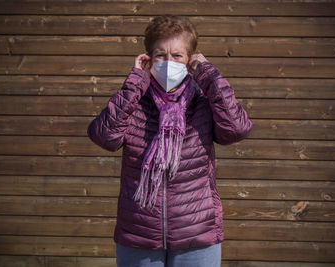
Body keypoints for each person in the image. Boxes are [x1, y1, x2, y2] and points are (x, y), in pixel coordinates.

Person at [87, 15, 253, 267]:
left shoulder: (202, 103)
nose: (168, 62)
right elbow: (104, 136)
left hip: (197, 234)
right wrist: (133, 84)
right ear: (149, 59)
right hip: (139, 234)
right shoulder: (135, 103)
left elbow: (237, 129)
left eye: (177, 55)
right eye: (160, 55)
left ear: (190, 60)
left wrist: (209, 75)